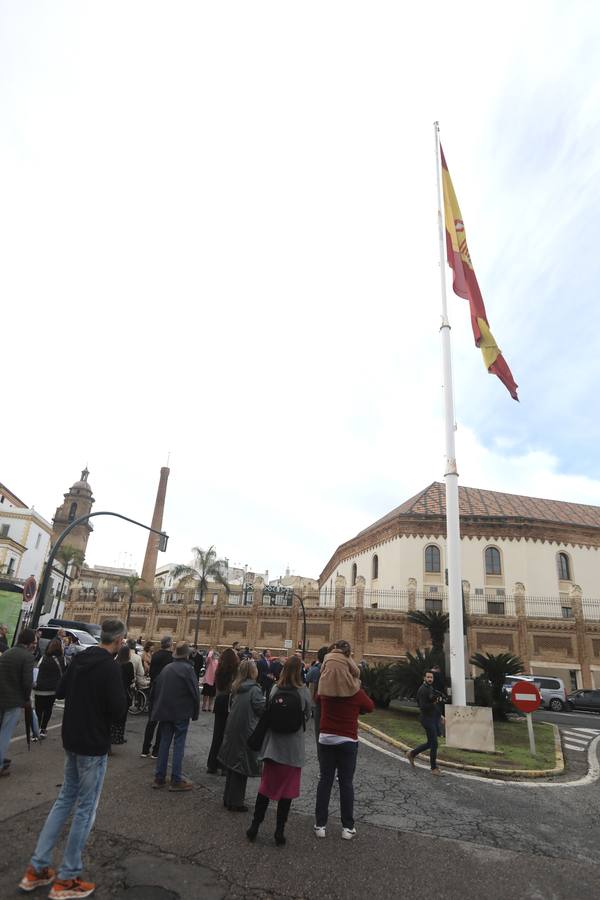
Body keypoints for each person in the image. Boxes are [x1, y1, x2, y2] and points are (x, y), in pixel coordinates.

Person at [18, 618, 128, 899]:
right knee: (84, 809)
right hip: (92, 745)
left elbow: (62, 691)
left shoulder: (80, 658)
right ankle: (67, 877)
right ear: (118, 641)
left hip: (71, 738)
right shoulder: (110, 668)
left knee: (65, 799)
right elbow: (118, 710)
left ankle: (38, 868)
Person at [246, 655, 311, 846]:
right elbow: (307, 716)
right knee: (287, 794)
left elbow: (269, 712)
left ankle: (254, 826)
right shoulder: (303, 691)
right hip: (292, 750)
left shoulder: (275, 688)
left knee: (265, 789)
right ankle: (279, 832)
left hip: (272, 748)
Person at [314, 652, 375, 841]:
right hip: (347, 740)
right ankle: (347, 827)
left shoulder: (324, 688)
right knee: (346, 783)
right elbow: (370, 706)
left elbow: (317, 701)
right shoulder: (355, 690)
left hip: (326, 739)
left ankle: (320, 825)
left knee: (325, 780)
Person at [150, 641, 200, 791]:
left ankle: (159, 778)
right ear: (186, 654)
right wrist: (195, 713)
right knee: (179, 745)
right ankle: (176, 779)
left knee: (164, 743)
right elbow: (195, 692)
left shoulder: (167, 668)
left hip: (165, 712)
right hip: (181, 713)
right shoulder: (187, 669)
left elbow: (156, 689)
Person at [218, 659, 266, 812]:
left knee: (233, 764)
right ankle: (236, 802)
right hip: (246, 730)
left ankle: (228, 798)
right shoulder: (255, 689)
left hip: (233, 728)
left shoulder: (237, 686)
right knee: (241, 766)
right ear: (252, 672)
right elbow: (261, 709)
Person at [0, 627, 36, 776]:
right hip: (14, 700)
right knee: (5, 734)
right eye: (34, 641)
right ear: (29, 642)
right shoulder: (27, 657)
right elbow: (27, 682)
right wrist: (26, 699)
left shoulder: (7, 653)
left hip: (2, 697)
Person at [206, 648, 239, 774]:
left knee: (217, 735)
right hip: (230, 703)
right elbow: (234, 688)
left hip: (219, 702)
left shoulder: (219, 670)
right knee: (228, 735)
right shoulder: (235, 671)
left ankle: (212, 764)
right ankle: (224, 766)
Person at [406, 670, 444, 776]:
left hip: (432, 718)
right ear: (424, 678)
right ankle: (433, 768)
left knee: (430, 743)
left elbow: (433, 704)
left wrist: (440, 715)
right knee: (434, 744)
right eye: (428, 677)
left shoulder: (430, 688)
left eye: (431, 677)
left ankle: (412, 753)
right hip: (426, 719)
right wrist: (434, 703)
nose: (430, 679)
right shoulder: (423, 690)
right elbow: (423, 707)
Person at [141, 635, 173, 759]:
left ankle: (144, 750)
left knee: (151, 721)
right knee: (162, 722)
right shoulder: (171, 657)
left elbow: (152, 672)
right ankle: (156, 751)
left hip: (154, 689)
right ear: (169, 644)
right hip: (165, 692)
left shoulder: (156, 655)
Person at [33, 638, 66, 736]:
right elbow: (64, 673)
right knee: (48, 709)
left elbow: (37, 669)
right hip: (53, 689)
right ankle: (43, 729)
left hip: (40, 688)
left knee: (38, 709)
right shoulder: (62, 659)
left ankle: (36, 729)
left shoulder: (43, 657)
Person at [111, 646, 134, 745]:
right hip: (124, 692)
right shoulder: (129, 665)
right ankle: (118, 737)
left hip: (114, 692)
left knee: (113, 717)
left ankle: (111, 738)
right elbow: (131, 679)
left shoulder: (115, 663)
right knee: (122, 716)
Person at [306, 646, 329, 746]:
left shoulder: (315, 669)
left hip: (317, 701)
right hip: (329, 702)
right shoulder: (333, 669)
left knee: (319, 730)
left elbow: (307, 678)